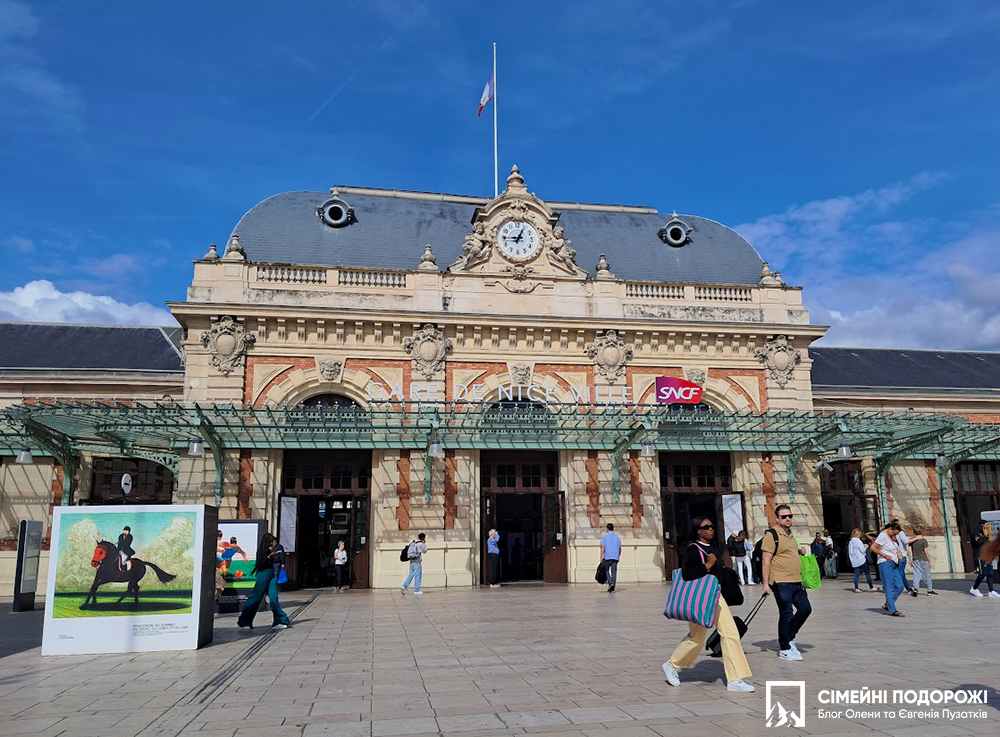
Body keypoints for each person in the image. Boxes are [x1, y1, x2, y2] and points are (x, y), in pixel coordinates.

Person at [663, 517, 755, 693]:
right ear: (698, 530)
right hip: (701, 599)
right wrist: (707, 565)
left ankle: (735, 679)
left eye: (712, 526)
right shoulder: (692, 549)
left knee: (730, 634)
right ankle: (671, 665)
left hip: (716, 596)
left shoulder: (713, 548)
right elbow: (687, 574)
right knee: (696, 639)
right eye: (706, 527)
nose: (710, 529)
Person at [762, 504, 812, 661]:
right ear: (777, 518)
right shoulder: (771, 535)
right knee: (786, 613)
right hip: (780, 581)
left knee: (805, 609)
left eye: (790, 516)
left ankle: (789, 637)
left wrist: (799, 551)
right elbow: (766, 560)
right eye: (784, 516)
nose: (788, 519)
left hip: (796, 580)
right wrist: (765, 584)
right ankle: (784, 648)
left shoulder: (790, 535)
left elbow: (787, 552)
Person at [237, 532, 291, 630]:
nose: (273, 544)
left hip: (272, 574)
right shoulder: (261, 551)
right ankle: (245, 621)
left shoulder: (275, 549)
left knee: (273, 598)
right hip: (263, 574)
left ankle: (280, 620)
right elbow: (260, 564)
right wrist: (269, 557)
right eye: (271, 542)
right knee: (256, 598)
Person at [871, 522, 905, 617]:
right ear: (890, 529)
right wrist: (884, 555)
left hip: (894, 564)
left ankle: (888, 604)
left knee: (900, 586)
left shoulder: (891, 537)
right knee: (889, 586)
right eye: (894, 533)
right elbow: (873, 547)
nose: (895, 535)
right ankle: (893, 609)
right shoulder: (882, 535)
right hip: (885, 563)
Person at [970, 520, 999, 597]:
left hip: (987, 555)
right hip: (980, 556)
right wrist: (985, 536)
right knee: (983, 573)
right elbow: (978, 542)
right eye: (986, 525)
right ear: (982, 525)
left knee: (990, 573)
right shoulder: (976, 532)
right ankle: (974, 588)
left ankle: (991, 590)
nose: (988, 527)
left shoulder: (986, 533)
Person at [908, 524, 937, 596]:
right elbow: (926, 552)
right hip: (924, 559)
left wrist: (910, 560)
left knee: (916, 574)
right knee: (927, 575)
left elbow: (909, 551)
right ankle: (929, 590)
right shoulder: (924, 540)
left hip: (915, 559)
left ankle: (915, 589)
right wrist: (929, 560)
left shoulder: (911, 540)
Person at [848, 528, 875, 593]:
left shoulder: (850, 542)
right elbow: (862, 550)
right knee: (867, 573)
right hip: (862, 559)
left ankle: (856, 588)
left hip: (854, 560)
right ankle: (871, 587)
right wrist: (866, 546)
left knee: (856, 574)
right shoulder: (858, 541)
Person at [892, 519, 914, 595]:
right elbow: (906, 541)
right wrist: (916, 538)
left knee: (899, 573)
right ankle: (901, 587)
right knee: (900, 573)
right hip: (902, 554)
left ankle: (907, 588)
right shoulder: (901, 533)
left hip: (895, 555)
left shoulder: (891, 534)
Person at [600, 523, 622, 593]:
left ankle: (610, 582)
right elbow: (620, 549)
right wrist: (618, 556)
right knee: (614, 572)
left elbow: (603, 547)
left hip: (607, 556)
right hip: (615, 556)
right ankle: (613, 586)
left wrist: (601, 556)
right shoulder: (617, 537)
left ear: (607, 529)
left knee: (606, 570)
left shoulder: (605, 537)